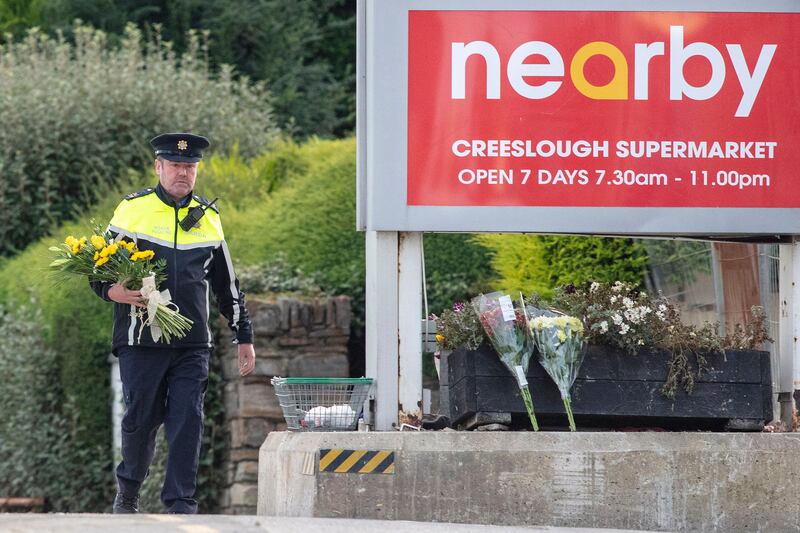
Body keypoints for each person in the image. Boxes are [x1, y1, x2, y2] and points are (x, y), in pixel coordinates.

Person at [91, 132, 256, 514]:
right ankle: (128, 490)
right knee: (140, 419)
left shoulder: (210, 218)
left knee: (188, 421)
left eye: (190, 166)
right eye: (176, 165)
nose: (184, 172)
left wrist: (243, 335)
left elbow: (227, 285)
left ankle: (181, 503)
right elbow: (99, 267)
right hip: (140, 339)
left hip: (192, 343)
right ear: (159, 167)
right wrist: (110, 291)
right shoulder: (133, 209)